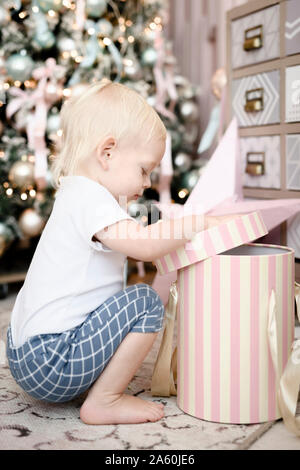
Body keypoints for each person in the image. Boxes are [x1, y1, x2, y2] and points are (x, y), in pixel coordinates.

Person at [6, 79, 239, 425]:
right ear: (107, 152)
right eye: (144, 170)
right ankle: (105, 400)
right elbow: (144, 245)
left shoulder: (76, 194)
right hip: (50, 359)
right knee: (142, 302)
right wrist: (195, 224)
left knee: (136, 303)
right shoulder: (90, 198)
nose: (146, 183)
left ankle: (94, 384)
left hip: (26, 352)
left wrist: (170, 245)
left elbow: (146, 244)